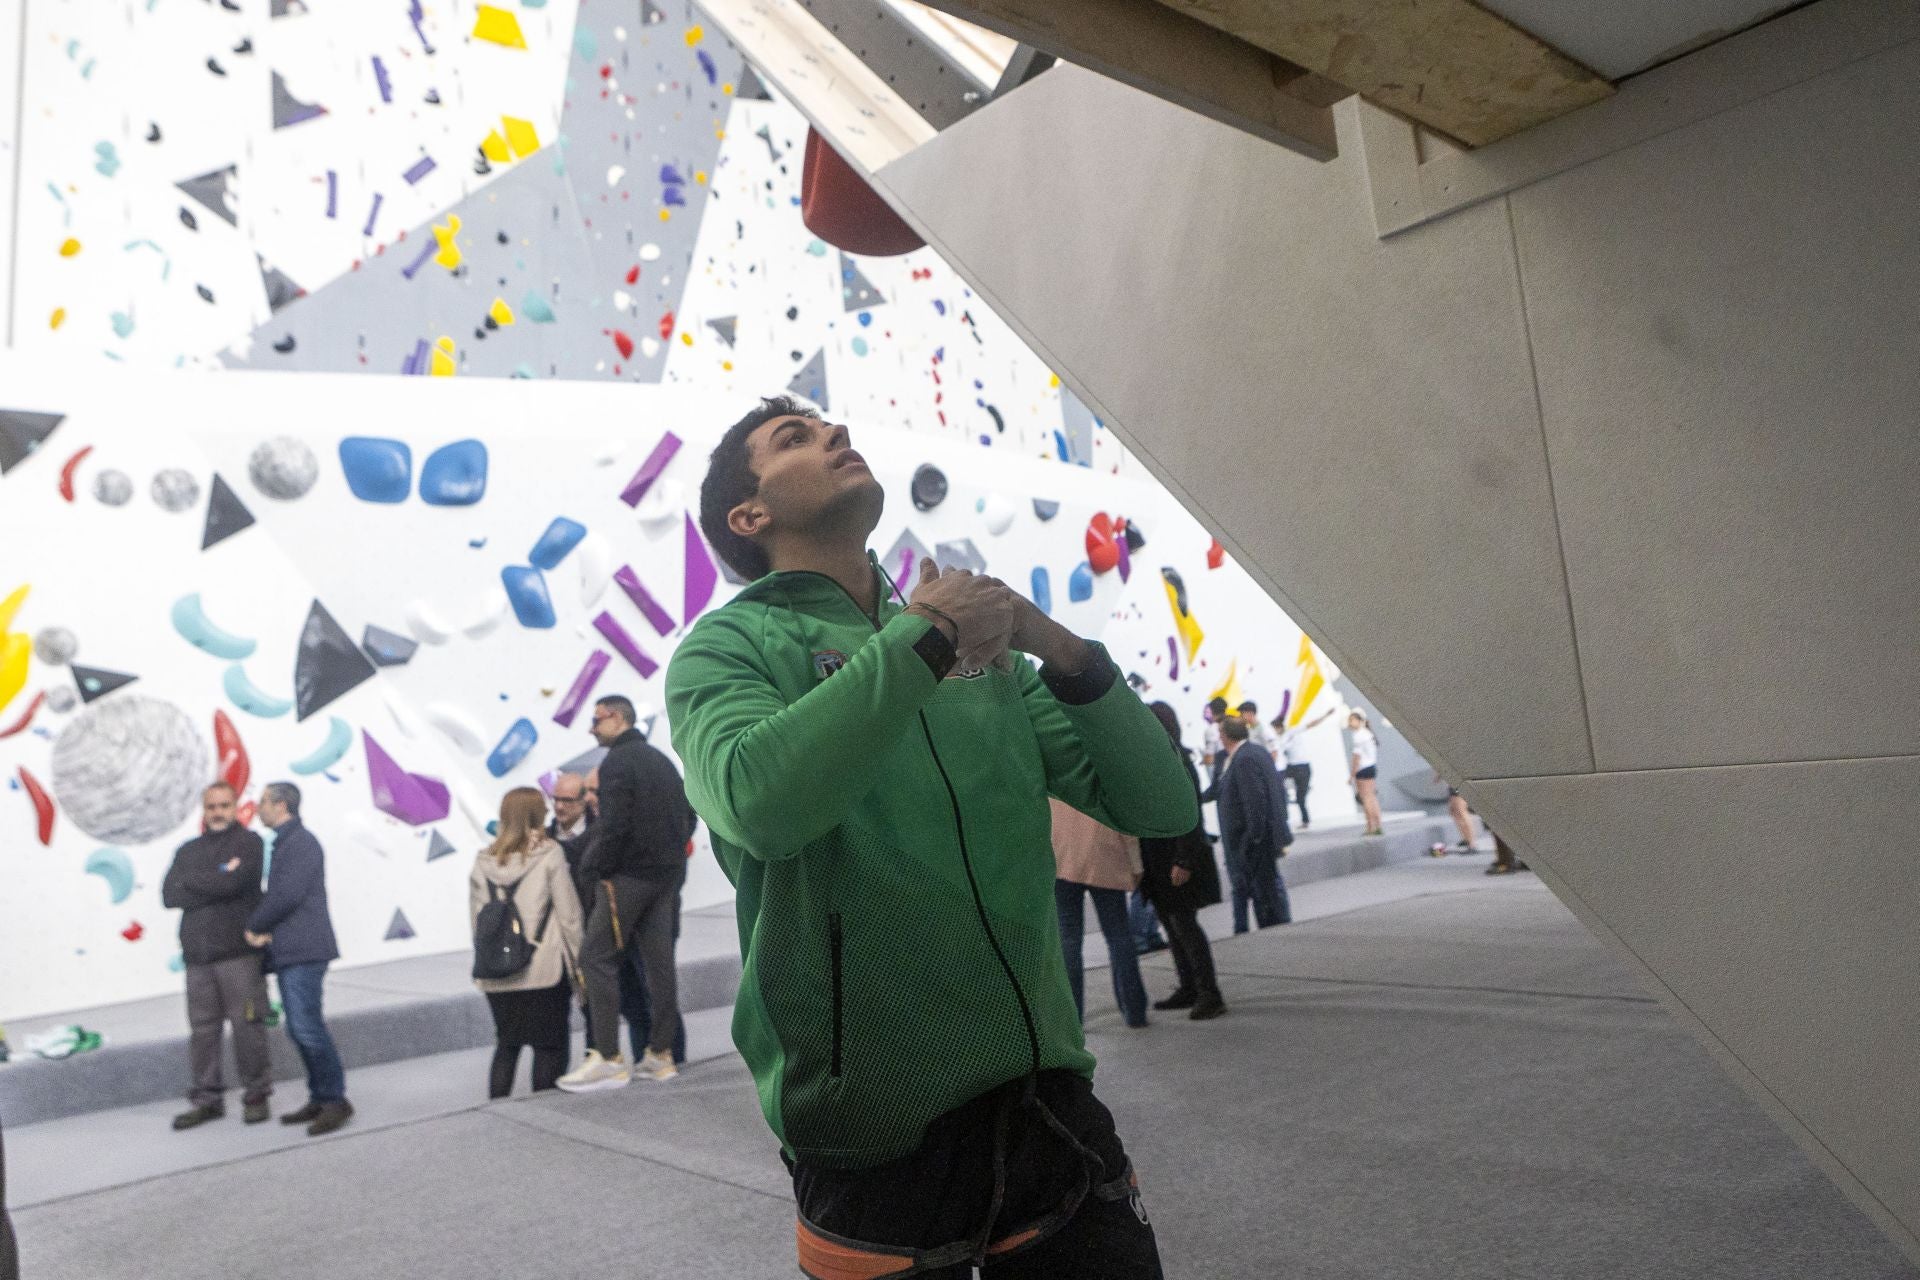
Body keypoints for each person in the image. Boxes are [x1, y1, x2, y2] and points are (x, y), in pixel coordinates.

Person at [667, 396, 1196, 1277]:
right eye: (794, 438)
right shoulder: (725, 649)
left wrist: (1054, 645)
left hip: (1049, 1097)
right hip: (871, 1132)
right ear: (749, 516)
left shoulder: (974, 651)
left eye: (830, 425)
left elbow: (1159, 803)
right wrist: (926, 635)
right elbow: (761, 804)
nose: (834, 434)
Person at [557, 695, 696, 1091]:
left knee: (594, 957)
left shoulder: (618, 762)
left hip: (628, 878)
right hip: (665, 877)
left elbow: (614, 826)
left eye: (597, 719)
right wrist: (669, 858)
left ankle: (609, 1058)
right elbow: (688, 816)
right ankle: (660, 1055)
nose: (591, 728)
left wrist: (594, 867)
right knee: (659, 964)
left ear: (616, 718)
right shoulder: (661, 762)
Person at [161, 782, 273, 1129]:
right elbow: (169, 895)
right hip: (198, 959)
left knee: (248, 1028)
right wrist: (220, 876)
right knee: (203, 1032)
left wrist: (195, 883)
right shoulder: (187, 849)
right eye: (212, 806)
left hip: (239, 956)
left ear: (236, 807)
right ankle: (208, 1100)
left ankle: (256, 1095)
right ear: (204, 810)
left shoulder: (250, 843)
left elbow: (236, 885)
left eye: (224, 805)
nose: (218, 812)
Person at [246, 782, 352, 1136]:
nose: (258, 807)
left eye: (262, 802)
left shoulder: (300, 843)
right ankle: (321, 1096)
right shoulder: (288, 843)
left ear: (280, 805)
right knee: (300, 1027)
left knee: (307, 1027)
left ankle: (335, 1099)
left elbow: (286, 895)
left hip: (305, 951)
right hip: (294, 950)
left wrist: (256, 925)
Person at [570, 767, 689, 1068]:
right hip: (613, 926)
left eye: (598, 791)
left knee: (653, 994)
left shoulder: (646, 833)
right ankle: (644, 1061)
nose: (593, 799)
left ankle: (665, 1059)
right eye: (589, 793)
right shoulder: (600, 831)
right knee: (634, 1008)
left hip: (640, 928)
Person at [472, 787, 585, 1097]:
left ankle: (497, 1109)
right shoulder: (550, 854)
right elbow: (570, 917)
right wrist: (580, 968)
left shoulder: (483, 861)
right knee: (549, 1047)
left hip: (498, 975)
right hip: (544, 971)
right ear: (537, 816)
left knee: (506, 1046)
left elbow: (478, 923)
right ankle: (544, 1117)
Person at [1141, 703, 1226, 1019]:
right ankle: (1189, 986)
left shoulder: (1176, 759)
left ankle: (1209, 992)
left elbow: (1190, 814)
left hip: (1176, 857)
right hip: (1159, 858)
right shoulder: (1154, 760)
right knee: (1172, 925)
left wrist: (1184, 860)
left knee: (1184, 925)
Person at [1050, 799, 1151, 1030]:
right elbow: (1122, 817)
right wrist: (1136, 864)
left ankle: (1073, 1020)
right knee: (1118, 936)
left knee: (1069, 940)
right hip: (1105, 856)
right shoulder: (1101, 767)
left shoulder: (1051, 771)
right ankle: (1135, 1012)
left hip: (1061, 857)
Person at [1216, 718, 1292, 932]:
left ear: (1226, 736)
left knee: (1264, 893)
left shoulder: (1243, 759)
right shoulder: (1256, 752)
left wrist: (1252, 838)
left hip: (1254, 841)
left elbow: (1254, 801)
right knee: (1266, 888)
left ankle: (1273, 929)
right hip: (1262, 837)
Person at [1276, 705, 1335, 830]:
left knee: (1300, 797)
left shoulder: (1292, 731)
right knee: (1277, 779)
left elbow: (1311, 724)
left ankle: (1305, 820)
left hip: (1302, 766)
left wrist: (1326, 715)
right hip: (1290, 767)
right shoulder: (1279, 739)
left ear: (1280, 727)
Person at [547, 772, 593, 880]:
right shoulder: (545, 837)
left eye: (567, 800)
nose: (559, 806)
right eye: (556, 799)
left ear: (583, 800)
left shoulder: (600, 836)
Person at [1347, 710, 1384, 836]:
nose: (1350, 723)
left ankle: (1370, 826)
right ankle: (1378, 825)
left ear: (1359, 721)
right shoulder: (1368, 733)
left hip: (1362, 769)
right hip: (1371, 767)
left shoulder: (1358, 736)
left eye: (1352, 720)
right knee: (1372, 797)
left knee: (1366, 798)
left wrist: (1351, 775)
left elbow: (1356, 758)